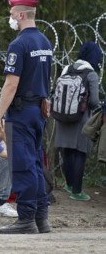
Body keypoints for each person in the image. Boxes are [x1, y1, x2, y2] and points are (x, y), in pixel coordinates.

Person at [0, 0, 52, 234]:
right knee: (35, 163)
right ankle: (41, 218)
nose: (10, 17)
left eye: (12, 13)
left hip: (21, 112)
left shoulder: (19, 45)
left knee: (23, 166)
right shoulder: (44, 42)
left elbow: (11, 85)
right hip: (38, 111)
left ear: (22, 15)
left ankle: (26, 219)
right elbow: (44, 77)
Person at [54, 42, 101, 201]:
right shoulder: (91, 74)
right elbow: (94, 101)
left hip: (62, 117)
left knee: (66, 150)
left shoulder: (67, 68)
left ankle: (68, 185)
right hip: (81, 118)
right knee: (80, 153)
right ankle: (77, 191)